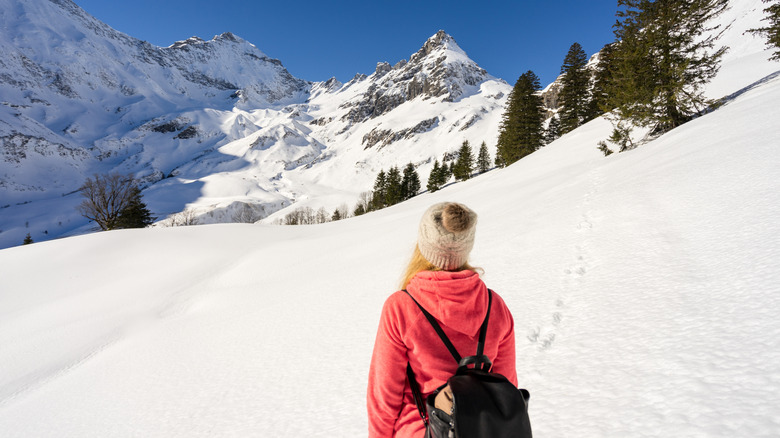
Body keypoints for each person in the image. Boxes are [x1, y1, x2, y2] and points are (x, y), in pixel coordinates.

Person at [367, 202, 518, 438]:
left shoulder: (401, 307)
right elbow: (506, 388)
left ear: (424, 245)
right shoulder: (495, 306)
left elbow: (384, 398)